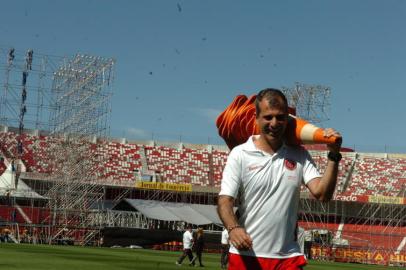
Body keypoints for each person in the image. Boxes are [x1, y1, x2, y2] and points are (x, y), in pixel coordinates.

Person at [217, 88, 342, 270]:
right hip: (247, 255)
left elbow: (322, 194)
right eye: (268, 117)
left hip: (287, 258)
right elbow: (224, 201)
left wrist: (334, 155)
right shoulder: (240, 154)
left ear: (287, 119)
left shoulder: (299, 154)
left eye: (280, 117)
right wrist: (233, 228)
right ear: (256, 117)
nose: (274, 123)